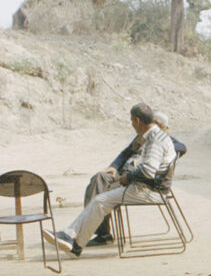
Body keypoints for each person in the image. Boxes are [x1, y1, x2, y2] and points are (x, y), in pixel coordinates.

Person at [47, 103, 179, 255]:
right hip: (145, 186)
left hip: (149, 190)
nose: (132, 125)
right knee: (100, 195)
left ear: (137, 121)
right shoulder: (153, 136)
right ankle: (73, 239)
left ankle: (73, 239)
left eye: (131, 121)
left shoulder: (155, 140)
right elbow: (127, 155)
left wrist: (127, 178)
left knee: (100, 201)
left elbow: (148, 171)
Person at [81, 108, 187, 246]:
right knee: (99, 178)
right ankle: (96, 232)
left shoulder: (162, 139)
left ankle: (91, 234)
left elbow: (182, 147)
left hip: (136, 179)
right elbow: (125, 153)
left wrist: (160, 147)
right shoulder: (141, 136)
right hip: (123, 173)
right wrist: (113, 166)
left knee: (102, 192)